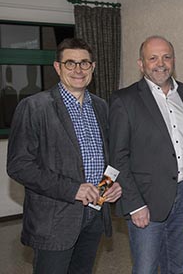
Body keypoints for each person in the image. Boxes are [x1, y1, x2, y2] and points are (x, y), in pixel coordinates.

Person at [7, 38, 122, 274]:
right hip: (54, 221)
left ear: (93, 67)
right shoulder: (34, 107)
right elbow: (19, 165)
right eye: (70, 63)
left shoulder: (101, 107)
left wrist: (112, 185)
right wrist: (73, 189)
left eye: (84, 63)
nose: (78, 70)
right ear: (58, 67)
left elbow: (107, 156)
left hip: (94, 216)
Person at [109, 35, 183, 273]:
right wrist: (134, 205)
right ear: (141, 64)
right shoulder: (125, 100)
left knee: (178, 265)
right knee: (146, 268)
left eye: (166, 57)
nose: (160, 63)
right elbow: (118, 157)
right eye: (152, 58)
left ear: (173, 60)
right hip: (146, 198)